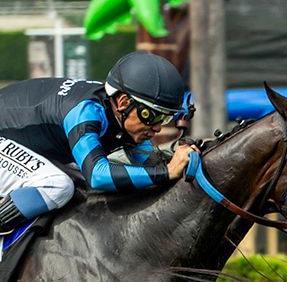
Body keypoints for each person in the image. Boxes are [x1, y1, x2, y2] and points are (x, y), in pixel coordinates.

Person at [0, 51, 198, 234]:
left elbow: (145, 160)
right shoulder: (85, 112)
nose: (157, 128)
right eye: (151, 115)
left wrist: (176, 157)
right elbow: (97, 175)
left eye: (164, 118)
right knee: (57, 185)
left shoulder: (118, 112)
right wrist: (168, 171)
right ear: (123, 103)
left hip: (18, 137)